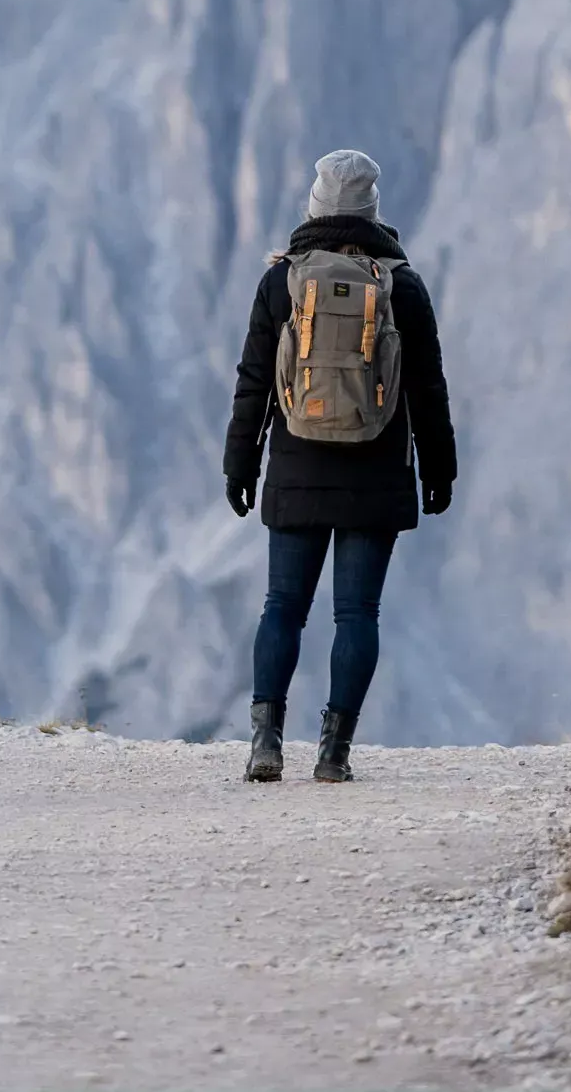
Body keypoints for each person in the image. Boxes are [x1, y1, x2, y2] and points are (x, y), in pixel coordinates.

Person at [223, 149, 456, 783]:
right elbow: (428, 390)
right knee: (356, 615)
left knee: (282, 606)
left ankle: (266, 743)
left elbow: (253, 384)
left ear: (315, 206)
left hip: (296, 466)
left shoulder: (282, 283)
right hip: (376, 471)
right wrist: (440, 471)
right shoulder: (401, 286)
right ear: (372, 211)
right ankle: (333, 753)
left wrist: (239, 465)